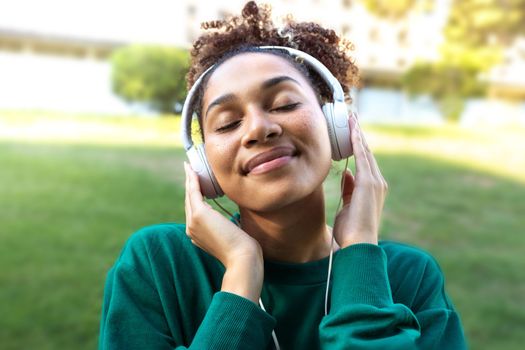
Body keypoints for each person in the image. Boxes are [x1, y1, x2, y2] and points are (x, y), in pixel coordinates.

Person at [98, 2, 467, 349]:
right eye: (228, 123)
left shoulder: (410, 277)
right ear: (204, 164)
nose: (258, 128)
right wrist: (241, 276)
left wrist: (358, 253)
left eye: (285, 104)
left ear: (334, 125)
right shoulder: (159, 264)